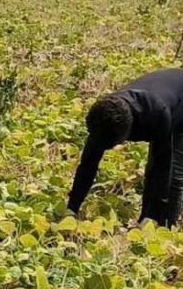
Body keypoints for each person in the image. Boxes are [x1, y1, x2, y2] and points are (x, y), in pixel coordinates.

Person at [68, 68, 183, 228]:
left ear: (126, 135)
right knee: (153, 171)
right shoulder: (105, 114)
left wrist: (152, 217)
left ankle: (164, 227)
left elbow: (163, 167)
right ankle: (145, 223)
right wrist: (72, 208)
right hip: (163, 87)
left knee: (172, 174)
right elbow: (88, 164)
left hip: (179, 101)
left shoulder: (157, 114)